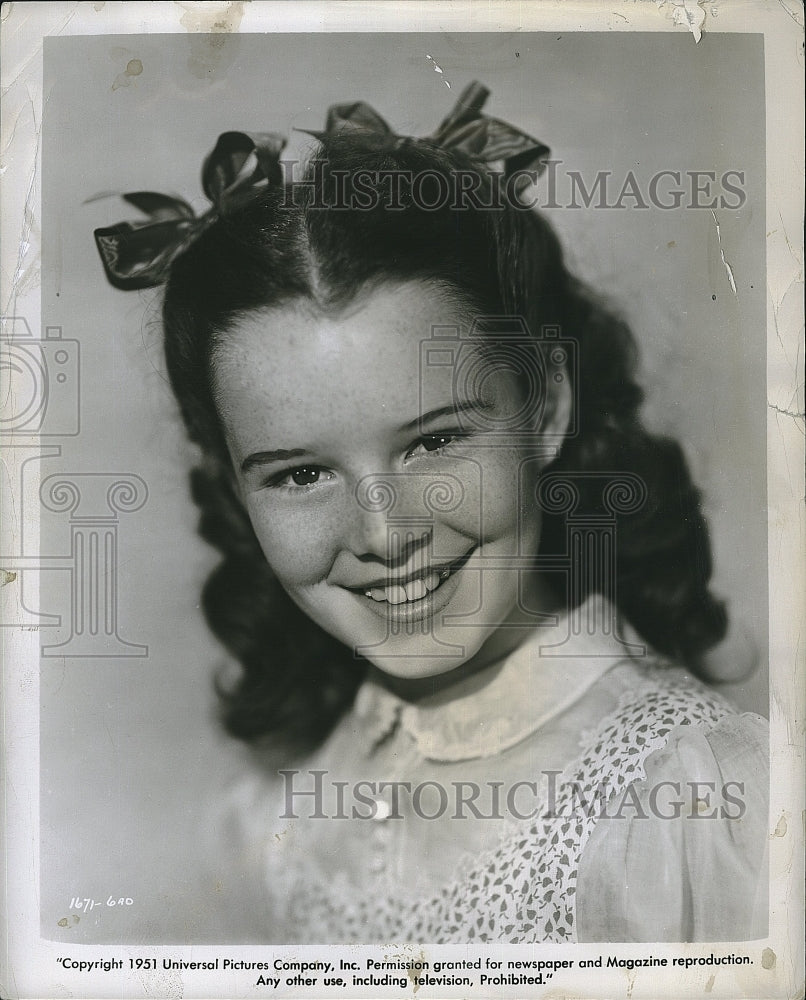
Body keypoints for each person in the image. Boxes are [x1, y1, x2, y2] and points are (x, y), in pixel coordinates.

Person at [94, 83, 768, 944]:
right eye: (300, 476)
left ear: (544, 408)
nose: (385, 534)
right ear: (235, 492)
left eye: (433, 444)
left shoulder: (698, 805)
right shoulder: (274, 812)